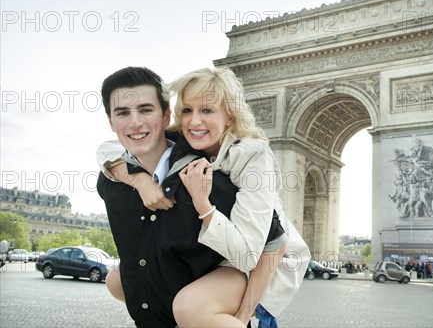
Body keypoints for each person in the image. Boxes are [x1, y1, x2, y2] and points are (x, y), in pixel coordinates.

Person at [98, 67, 310, 327]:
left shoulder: (254, 157)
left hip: (263, 258)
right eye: (187, 110)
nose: (195, 121)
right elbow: (110, 147)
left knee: (192, 307)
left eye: (207, 110)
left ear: (229, 117)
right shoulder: (178, 139)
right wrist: (138, 179)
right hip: (214, 253)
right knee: (121, 279)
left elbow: (268, 245)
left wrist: (202, 204)